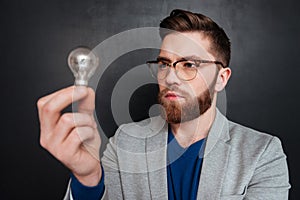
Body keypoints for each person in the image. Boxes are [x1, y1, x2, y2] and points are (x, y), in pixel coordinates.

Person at [37, 9, 290, 200]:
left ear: (221, 79)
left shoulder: (263, 153)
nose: (169, 77)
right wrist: (88, 177)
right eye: (163, 64)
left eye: (189, 65)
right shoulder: (124, 141)